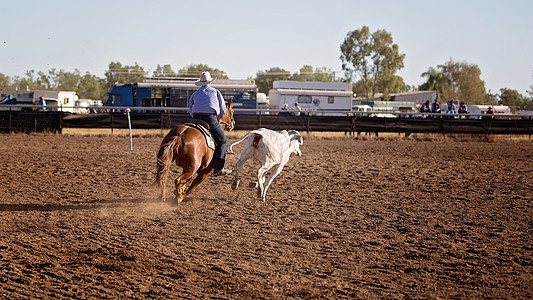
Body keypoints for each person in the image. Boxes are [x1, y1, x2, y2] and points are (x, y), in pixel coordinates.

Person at [188, 71, 232, 176]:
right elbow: (222, 109)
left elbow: (190, 108)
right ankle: (218, 169)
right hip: (210, 119)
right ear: (210, 82)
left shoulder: (195, 94)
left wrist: (194, 117)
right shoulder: (215, 92)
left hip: (196, 119)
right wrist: (218, 118)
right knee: (222, 141)